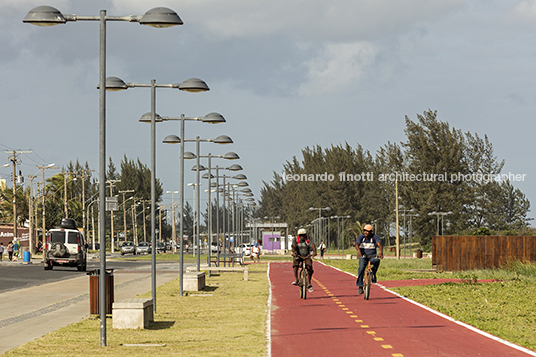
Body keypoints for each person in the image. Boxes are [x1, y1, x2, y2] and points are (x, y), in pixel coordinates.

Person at [355, 224, 383, 294]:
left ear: (371, 231)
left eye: (367, 231)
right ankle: (360, 286)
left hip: (372, 255)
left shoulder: (374, 237)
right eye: (364, 230)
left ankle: (373, 273)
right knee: (361, 269)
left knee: (377, 260)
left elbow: (379, 244)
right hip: (363, 256)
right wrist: (358, 251)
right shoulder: (361, 237)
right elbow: (357, 244)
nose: (365, 232)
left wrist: (381, 252)